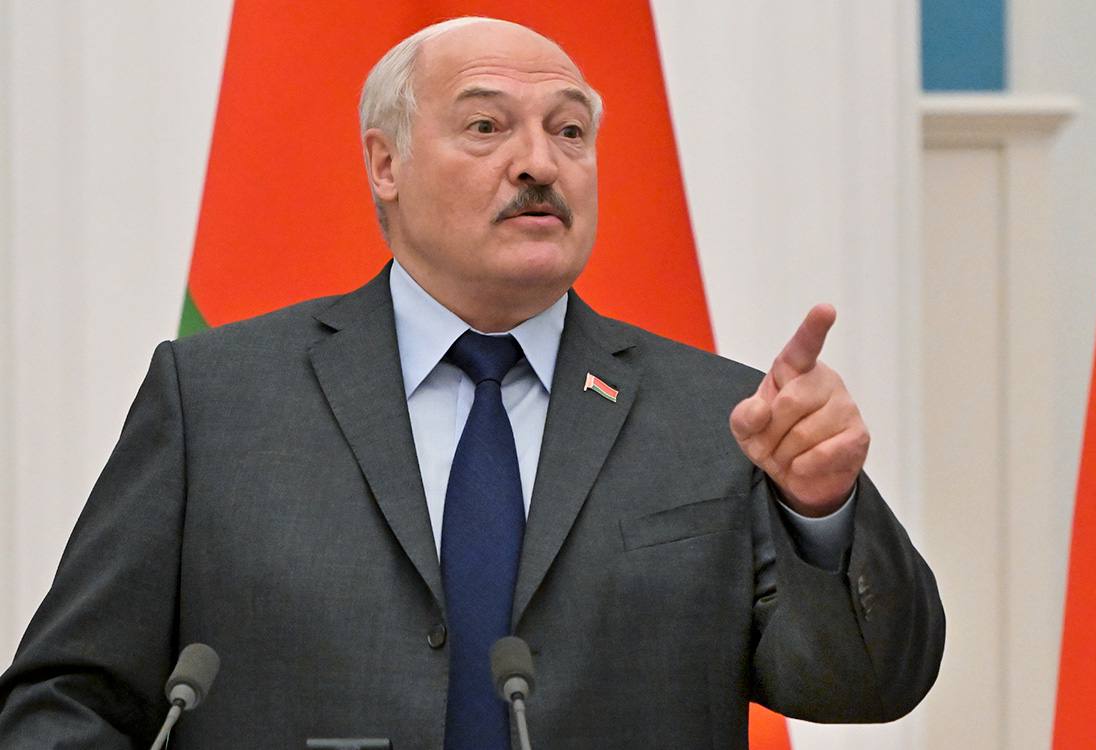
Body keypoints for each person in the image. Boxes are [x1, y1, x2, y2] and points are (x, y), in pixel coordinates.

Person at [0, 17, 943, 749]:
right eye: (487, 126)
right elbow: (68, 698)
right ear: (386, 164)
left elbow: (866, 686)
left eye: (569, 130)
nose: (539, 162)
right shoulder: (217, 399)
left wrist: (823, 511)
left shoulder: (717, 419)